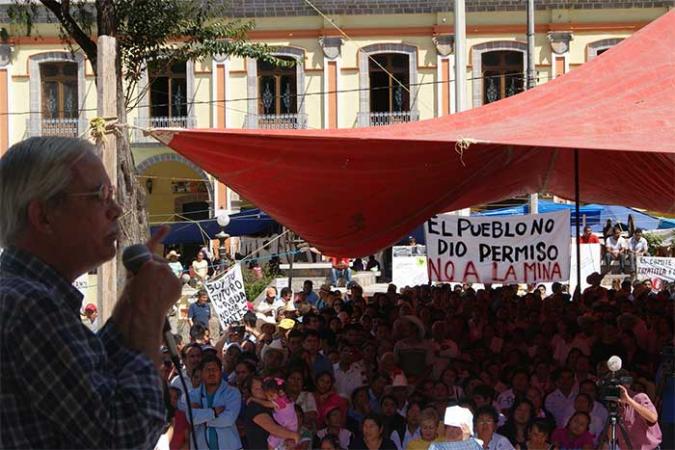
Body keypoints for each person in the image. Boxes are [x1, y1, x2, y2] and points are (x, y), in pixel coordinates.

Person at [0, 136, 181, 448]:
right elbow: (124, 434)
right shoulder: (31, 306)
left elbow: (94, 375)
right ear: (43, 216)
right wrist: (150, 312)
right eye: (101, 195)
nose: (117, 208)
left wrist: (133, 300)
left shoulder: (22, 296)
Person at [187, 356, 242, 449]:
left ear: (220, 372)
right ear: (202, 373)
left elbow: (228, 419)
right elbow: (191, 418)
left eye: (214, 369)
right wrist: (214, 412)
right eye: (208, 370)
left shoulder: (232, 392)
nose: (211, 372)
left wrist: (202, 419)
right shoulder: (192, 394)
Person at [242, 375, 299, 450]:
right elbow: (273, 429)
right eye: (256, 389)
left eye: (262, 387)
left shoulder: (274, 403)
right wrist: (294, 435)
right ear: (251, 391)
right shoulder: (254, 407)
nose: (260, 391)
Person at [615, 378, 662, 450]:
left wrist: (629, 400)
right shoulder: (615, 406)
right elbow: (610, 437)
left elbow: (653, 418)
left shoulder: (640, 397)